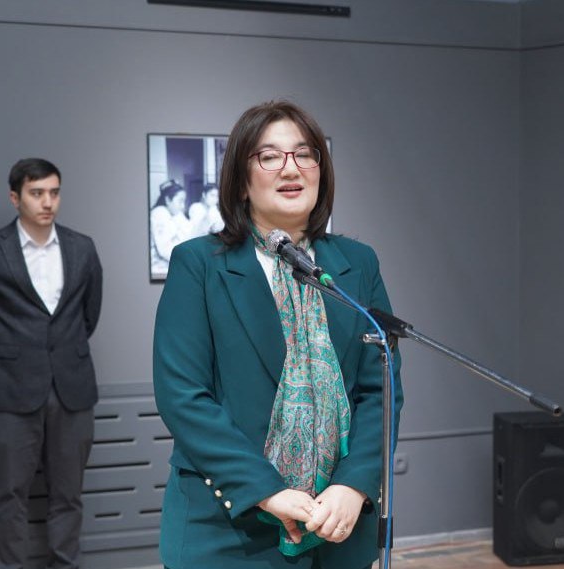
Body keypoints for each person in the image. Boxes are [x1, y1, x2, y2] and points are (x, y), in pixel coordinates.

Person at [153, 100, 403, 569]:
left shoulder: (357, 263)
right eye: (269, 156)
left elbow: (380, 390)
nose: (291, 168)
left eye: (305, 154)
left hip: (336, 528)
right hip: (230, 533)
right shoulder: (199, 264)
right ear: (240, 180)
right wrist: (266, 491)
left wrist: (354, 485)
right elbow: (184, 396)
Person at [0, 158, 103, 569]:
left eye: (54, 193)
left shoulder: (82, 248)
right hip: (9, 391)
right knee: (8, 496)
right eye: (37, 193)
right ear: (15, 197)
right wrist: (14, 356)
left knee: (68, 495)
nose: (47, 202)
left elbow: (89, 315)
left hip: (71, 389)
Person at [150, 179, 192, 275]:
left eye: (184, 201)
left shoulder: (175, 214)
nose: (183, 206)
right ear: (168, 200)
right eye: (180, 201)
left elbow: (189, 233)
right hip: (159, 268)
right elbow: (165, 250)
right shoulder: (159, 213)